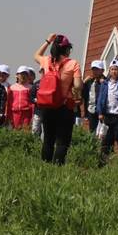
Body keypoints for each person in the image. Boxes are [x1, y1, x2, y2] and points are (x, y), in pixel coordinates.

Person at [33, 33, 81, 164]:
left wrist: (48, 40)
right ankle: (57, 169)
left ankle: (45, 167)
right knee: (62, 142)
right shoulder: (73, 64)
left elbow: (35, 55)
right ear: (67, 49)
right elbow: (77, 85)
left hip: (47, 107)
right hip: (64, 107)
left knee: (48, 140)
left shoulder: (46, 61)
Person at [96, 62, 118, 154]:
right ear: (109, 71)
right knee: (107, 136)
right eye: (112, 69)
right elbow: (100, 98)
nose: (114, 71)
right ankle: (105, 155)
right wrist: (100, 112)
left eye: (116, 69)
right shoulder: (105, 84)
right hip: (107, 113)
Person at [82, 60, 106, 133]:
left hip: (102, 112)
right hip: (91, 110)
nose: (94, 71)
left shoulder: (106, 82)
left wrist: (104, 83)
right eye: (93, 69)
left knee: (102, 133)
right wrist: (83, 82)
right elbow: (82, 94)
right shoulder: (90, 81)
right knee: (92, 131)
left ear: (102, 70)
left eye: (97, 69)